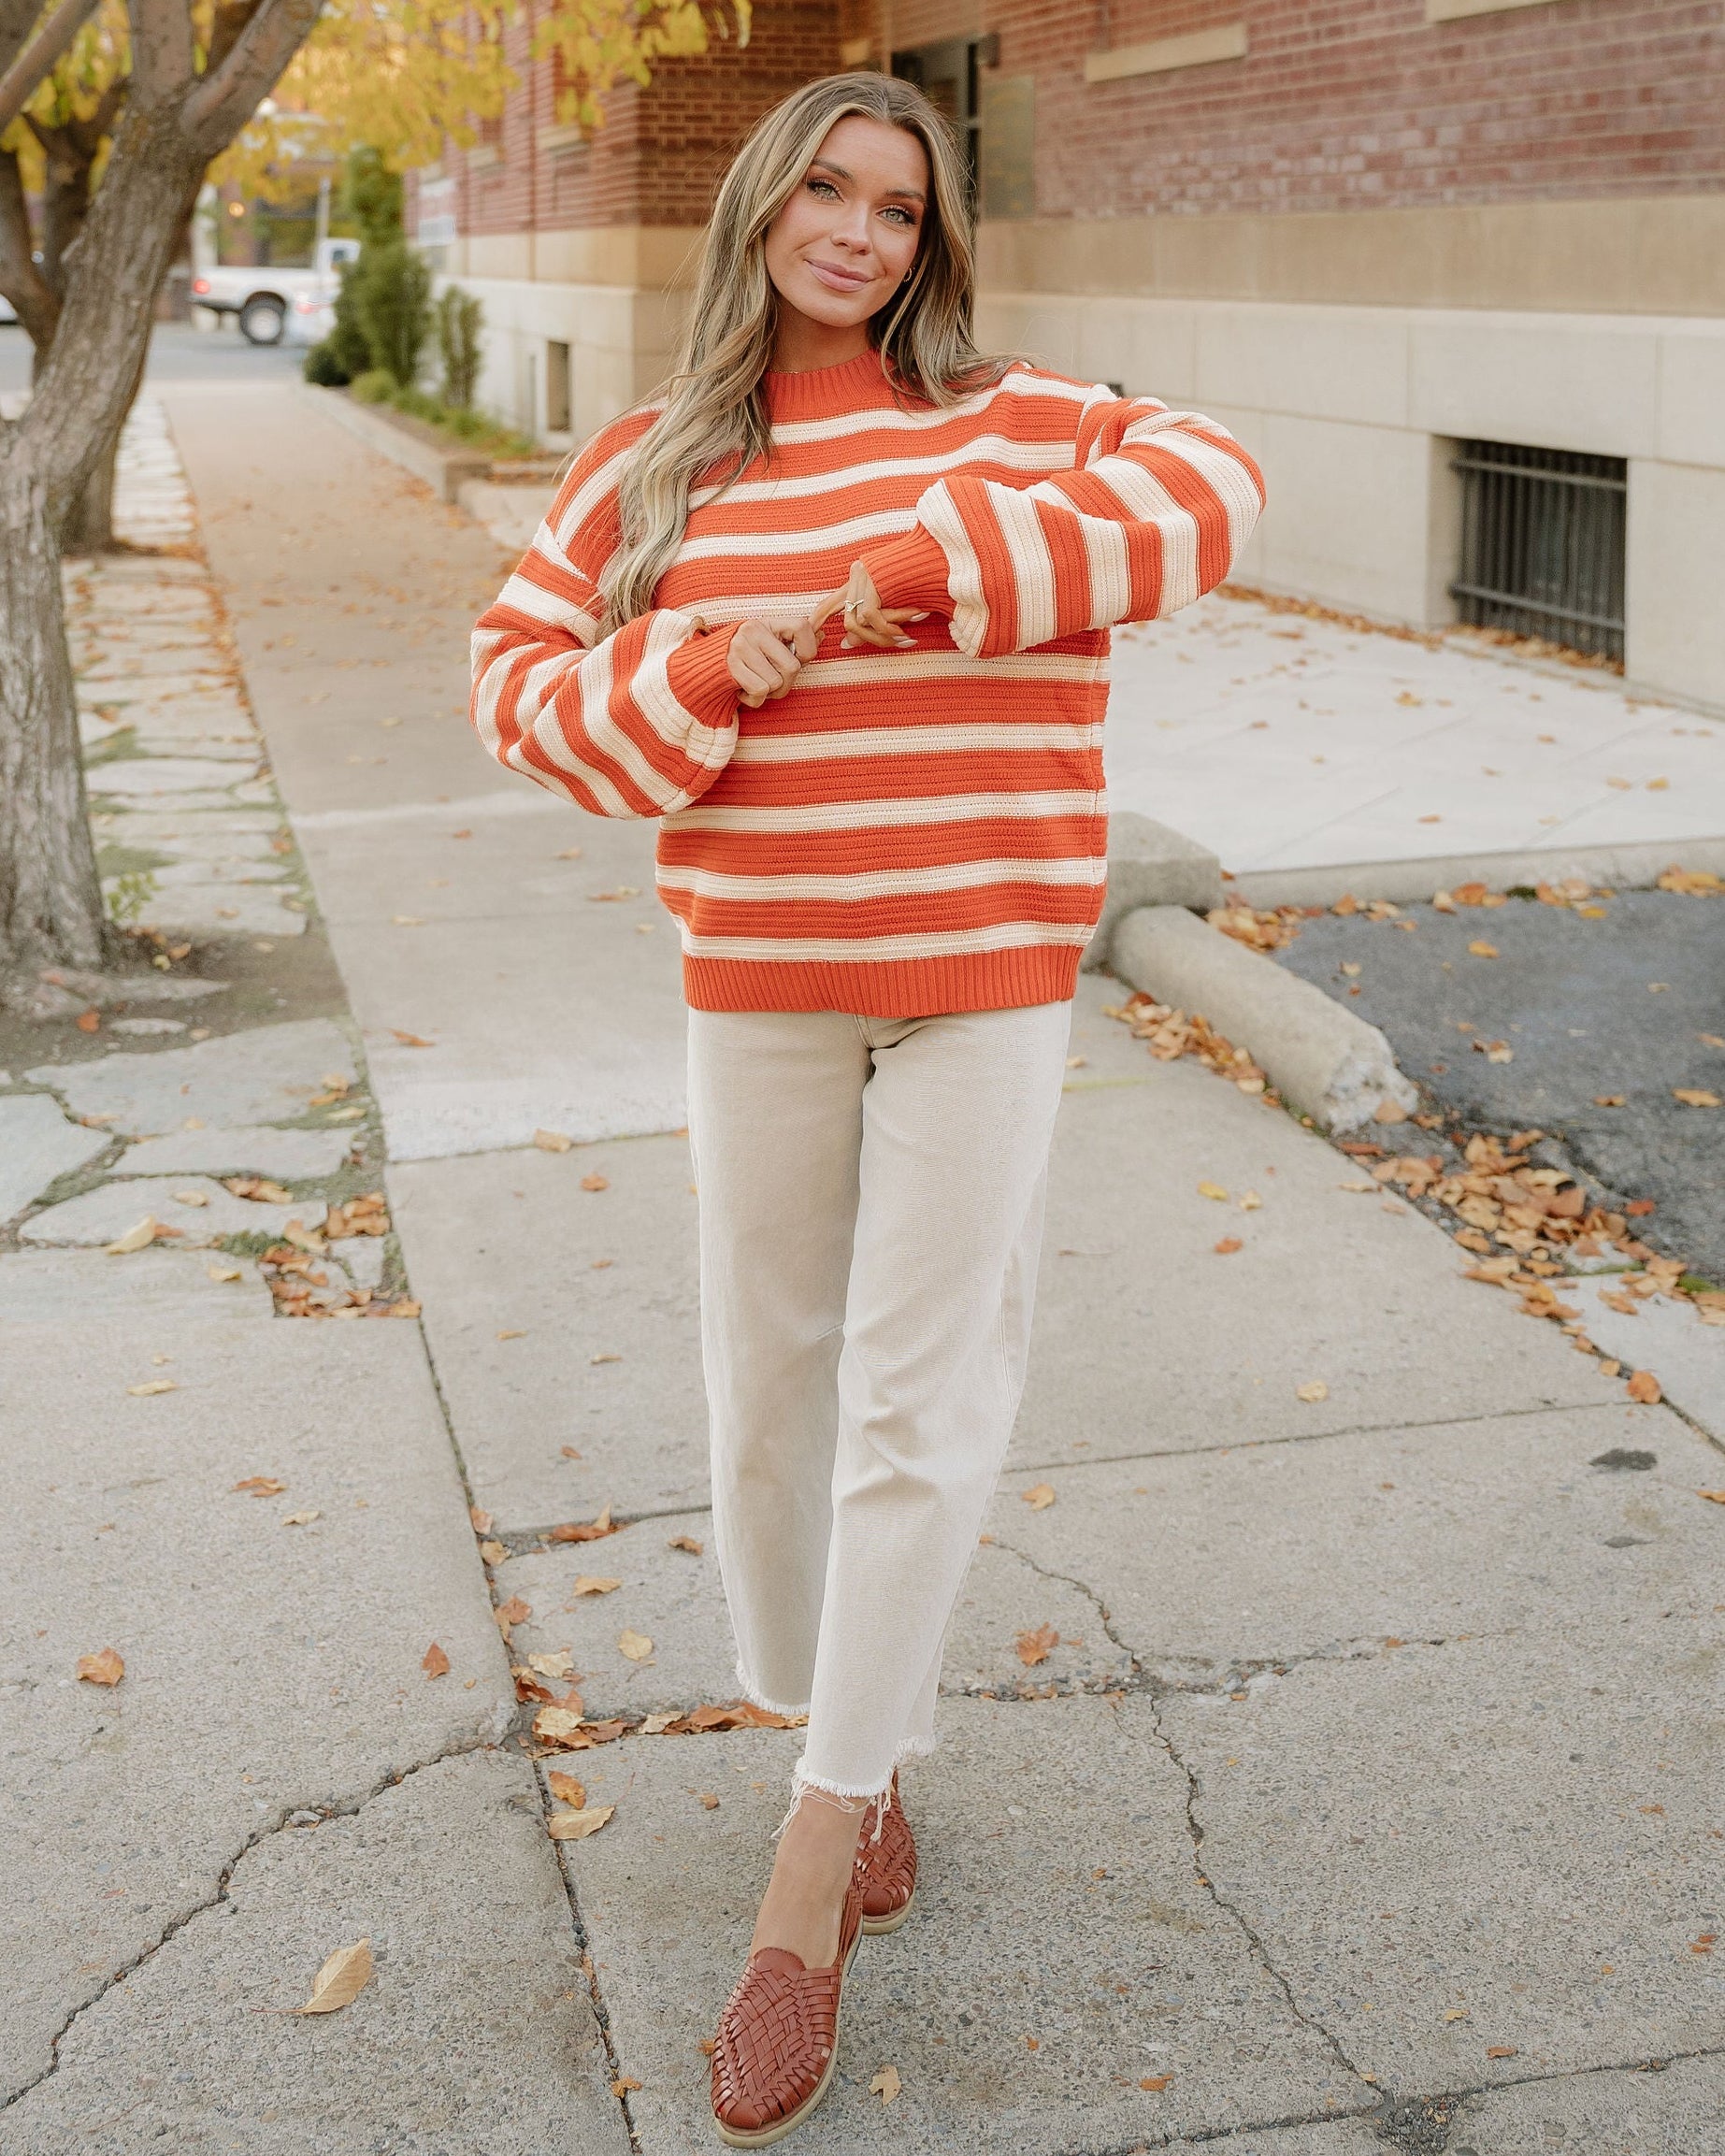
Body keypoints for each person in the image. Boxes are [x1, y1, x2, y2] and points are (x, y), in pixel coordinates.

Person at [471, 68, 1263, 2146]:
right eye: (823, 189)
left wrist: (941, 557)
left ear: (931, 244)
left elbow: (1212, 490)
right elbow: (517, 692)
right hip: (760, 987)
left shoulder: (1016, 419)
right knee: (769, 1399)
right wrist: (703, 666)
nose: (855, 230)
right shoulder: (646, 465)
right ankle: (854, 1722)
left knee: (919, 1406)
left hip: (980, 984)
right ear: (759, 205)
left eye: (896, 208)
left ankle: (811, 1863)